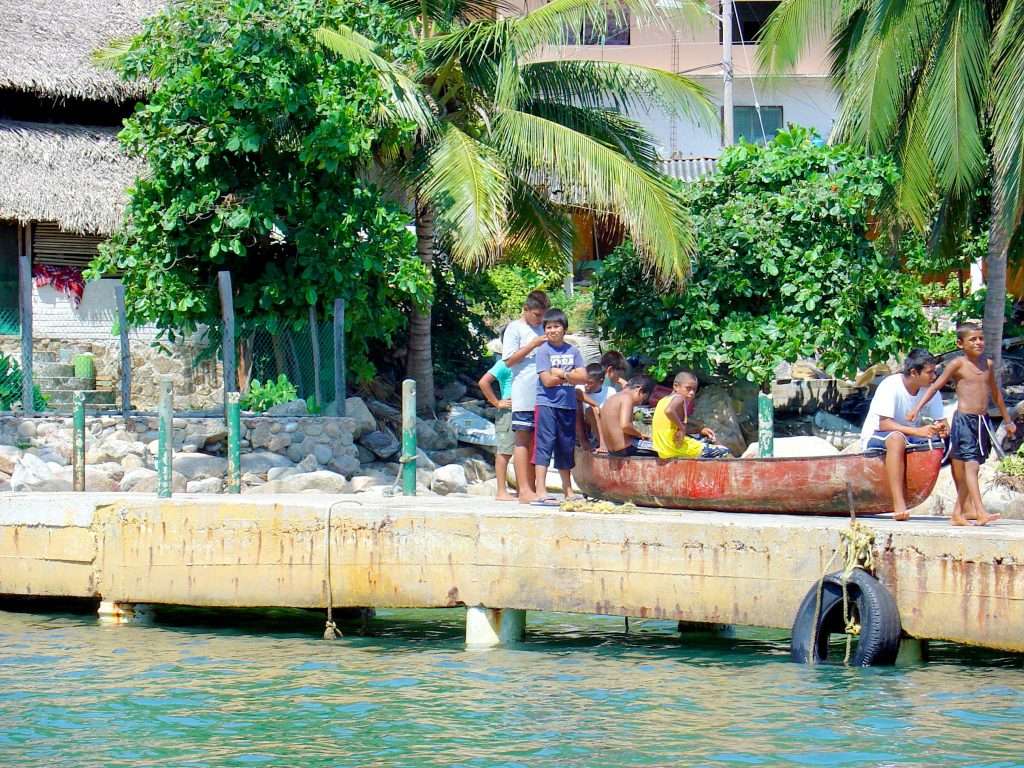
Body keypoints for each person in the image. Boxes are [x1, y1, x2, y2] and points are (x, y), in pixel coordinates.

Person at [908, 323, 1016, 526]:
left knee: (973, 464)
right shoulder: (957, 364)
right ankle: (980, 511)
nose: (978, 342)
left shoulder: (988, 365)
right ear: (960, 343)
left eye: (981, 338)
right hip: (964, 420)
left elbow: (996, 394)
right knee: (972, 465)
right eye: (973, 339)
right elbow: (935, 387)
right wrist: (917, 408)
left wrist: (1008, 420)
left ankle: (958, 513)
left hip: (982, 421)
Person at [860, 348, 949, 522]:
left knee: (937, 440)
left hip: (908, 436)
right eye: (930, 372)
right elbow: (884, 424)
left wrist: (941, 428)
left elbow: (942, 420)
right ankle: (898, 504)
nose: (934, 376)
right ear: (914, 373)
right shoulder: (890, 385)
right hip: (879, 435)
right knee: (896, 438)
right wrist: (918, 431)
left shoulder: (931, 391)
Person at [533, 308, 588, 501]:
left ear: (564, 329)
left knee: (566, 446)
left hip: (568, 404)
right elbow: (546, 380)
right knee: (544, 445)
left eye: (556, 326)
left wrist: (562, 374)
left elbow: (583, 377)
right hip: (547, 403)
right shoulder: (542, 351)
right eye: (548, 327)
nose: (552, 330)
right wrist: (569, 376)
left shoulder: (573, 351)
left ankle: (568, 490)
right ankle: (540, 490)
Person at [502, 291, 550, 504]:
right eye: (537, 315)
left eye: (542, 316)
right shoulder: (515, 328)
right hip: (523, 391)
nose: (539, 320)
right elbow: (509, 360)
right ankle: (523, 490)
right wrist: (532, 345)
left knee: (537, 440)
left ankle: (535, 488)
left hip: (542, 393)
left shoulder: (543, 327)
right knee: (522, 438)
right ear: (526, 310)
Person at [652, 371, 732, 459]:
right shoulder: (679, 397)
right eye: (688, 388)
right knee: (723, 451)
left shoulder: (662, 401)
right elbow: (669, 411)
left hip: (664, 450)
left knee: (702, 440)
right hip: (674, 447)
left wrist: (699, 430)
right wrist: (682, 428)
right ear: (676, 386)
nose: (692, 393)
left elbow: (672, 428)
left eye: (694, 389)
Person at [478, 339, 515, 501]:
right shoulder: (504, 363)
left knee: (524, 450)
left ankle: (525, 488)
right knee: (505, 451)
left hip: (525, 409)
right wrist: (497, 402)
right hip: (508, 410)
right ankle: (501, 490)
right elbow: (483, 382)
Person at [599, 375, 656, 457]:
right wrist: (640, 434)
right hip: (625, 449)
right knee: (662, 451)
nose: (640, 403)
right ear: (639, 390)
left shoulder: (612, 398)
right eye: (643, 399)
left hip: (612, 451)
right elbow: (625, 425)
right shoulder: (627, 398)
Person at [576, 363, 608, 451]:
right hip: (585, 426)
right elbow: (577, 393)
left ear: (601, 381)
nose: (586, 385)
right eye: (585, 382)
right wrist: (596, 405)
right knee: (590, 410)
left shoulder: (610, 391)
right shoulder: (580, 388)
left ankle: (604, 443)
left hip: (603, 425)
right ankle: (584, 441)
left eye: (590, 383)